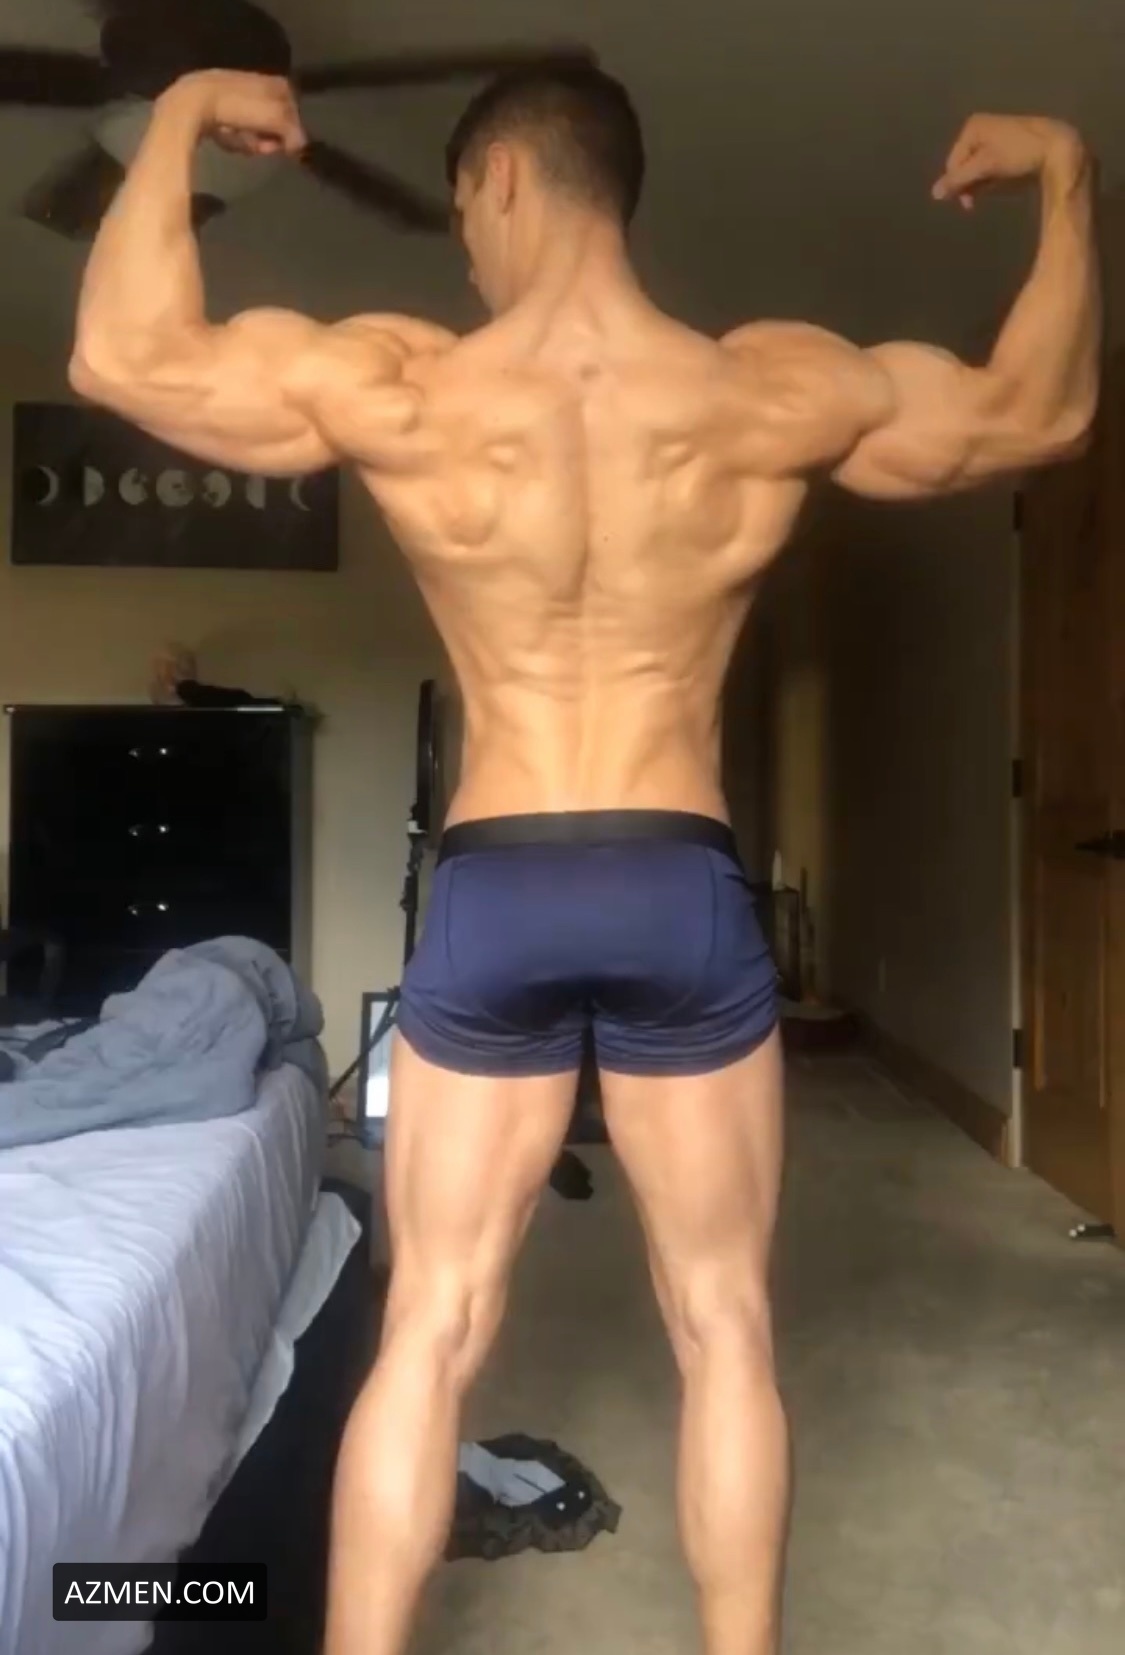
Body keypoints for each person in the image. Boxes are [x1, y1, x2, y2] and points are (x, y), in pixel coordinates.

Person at [69, 59, 1100, 1655]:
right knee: (724, 1324)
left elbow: (121, 353)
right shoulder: (767, 387)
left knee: (430, 1326)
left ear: (496, 181)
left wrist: (189, 112)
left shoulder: (407, 381)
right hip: (675, 877)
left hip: (502, 879)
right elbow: (1041, 409)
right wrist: (1067, 181)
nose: (468, 259)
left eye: (464, 220)